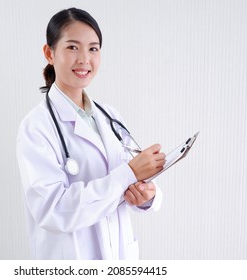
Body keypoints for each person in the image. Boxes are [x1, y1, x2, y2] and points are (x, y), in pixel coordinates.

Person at [16, 7, 165, 260]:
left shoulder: (111, 116)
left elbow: (133, 179)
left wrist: (146, 195)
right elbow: (53, 210)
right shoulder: (36, 127)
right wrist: (128, 174)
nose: (84, 58)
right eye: (73, 47)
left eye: (93, 48)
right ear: (49, 53)